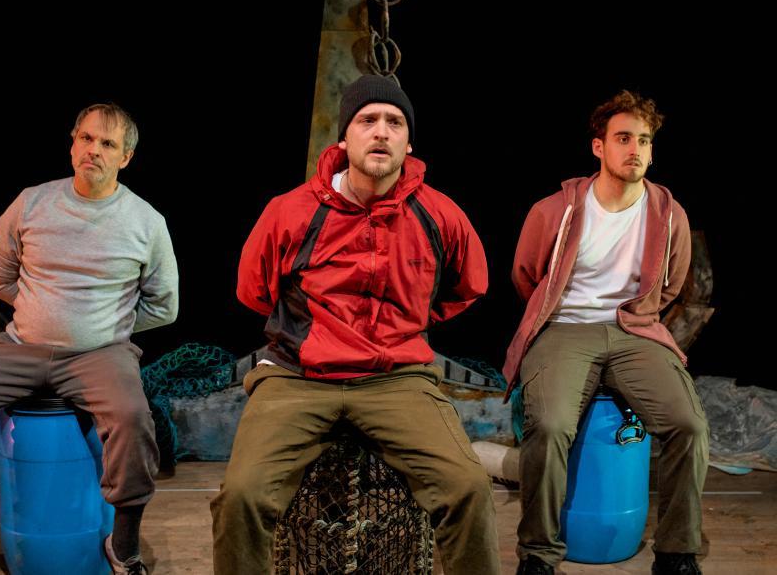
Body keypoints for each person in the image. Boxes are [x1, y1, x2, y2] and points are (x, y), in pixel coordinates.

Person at [211, 74, 501, 574]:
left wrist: (408, 327)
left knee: (469, 489)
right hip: (299, 377)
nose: (382, 132)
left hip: (398, 378)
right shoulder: (291, 211)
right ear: (345, 137)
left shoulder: (439, 215)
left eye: (395, 122)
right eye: (368, 121)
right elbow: (252, 290)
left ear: (410, 141)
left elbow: (469, 284)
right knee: (241, 496)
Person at [0, 103, 179, 575]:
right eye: (86, 139)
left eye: (107, 144)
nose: (94, 150)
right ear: (72, 143)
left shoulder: (145, 221)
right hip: (21, 347)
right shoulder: (31, 202)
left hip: (99, 355)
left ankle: (123, 542)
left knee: (132, 416)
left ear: (125, 158)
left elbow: (164, 306)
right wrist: (39, 311)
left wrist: (103, 327)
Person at [505, 90, 708, 575]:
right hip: (566, 328)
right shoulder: (554, 210)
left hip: (634, 330)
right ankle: (538, 554)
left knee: (690, 425)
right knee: (550, 425)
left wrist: (639, 319)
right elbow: (527, 277)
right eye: (623, 138)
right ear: (599, 147)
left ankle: (677, 552)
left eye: (644, 140)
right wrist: (560, 315)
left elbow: (674, 284)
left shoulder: (668, 214)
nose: (634, 149)